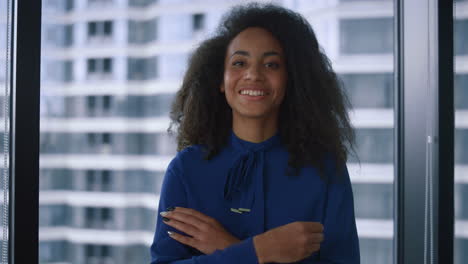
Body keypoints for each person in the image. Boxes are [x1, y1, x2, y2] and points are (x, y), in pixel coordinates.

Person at [150, 2, 359, 263]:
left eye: (271, 65)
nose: (253, 74)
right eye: (239, 62)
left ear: (291, 78)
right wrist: (258, 250)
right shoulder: (186, 169)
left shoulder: (325, 171)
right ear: (220, 80)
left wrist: (230, 248)